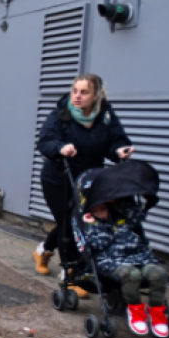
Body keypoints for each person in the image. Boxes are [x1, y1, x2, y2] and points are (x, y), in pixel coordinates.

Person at [35, 73, 134, 294]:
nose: (77, 96)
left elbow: (115, 141)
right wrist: (61, 148)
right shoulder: (61, 114)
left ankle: (43, 251)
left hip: (89, 179)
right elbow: (45, 141)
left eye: (84, 92)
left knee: (78, 222)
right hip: (59, 178)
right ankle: (72, 274)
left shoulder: (106, 116)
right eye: (75, 91)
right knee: (69, 223)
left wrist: (119, 151)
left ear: (96, 95)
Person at [83, 200, 169, 337]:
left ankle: (157, 311)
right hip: (112, 261)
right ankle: (135, 310)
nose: (100, 212)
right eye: (96, 210)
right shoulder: (91, 226)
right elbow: (99, 244)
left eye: (103, 209)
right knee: (132, 275)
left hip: (138, 257)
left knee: (158, 274)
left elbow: (137, 217)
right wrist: (95, 224)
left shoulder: (122, 219)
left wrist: (147, 201)